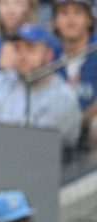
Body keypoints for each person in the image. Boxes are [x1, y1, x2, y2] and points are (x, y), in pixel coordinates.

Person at [0, 24, 82, 147]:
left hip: (46, 163)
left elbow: (37, 146)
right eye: (18, 48)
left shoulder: (62, 96)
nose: (22, 56)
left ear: (48, 54)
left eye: (30, 49)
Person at [52, 0, 97, 145]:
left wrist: (78, 121)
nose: (71, 19)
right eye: (64, 13)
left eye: (77, 13)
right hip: (56, 131)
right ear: (55, 22)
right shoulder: (47, 56)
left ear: (89, 20)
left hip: (88, 127)